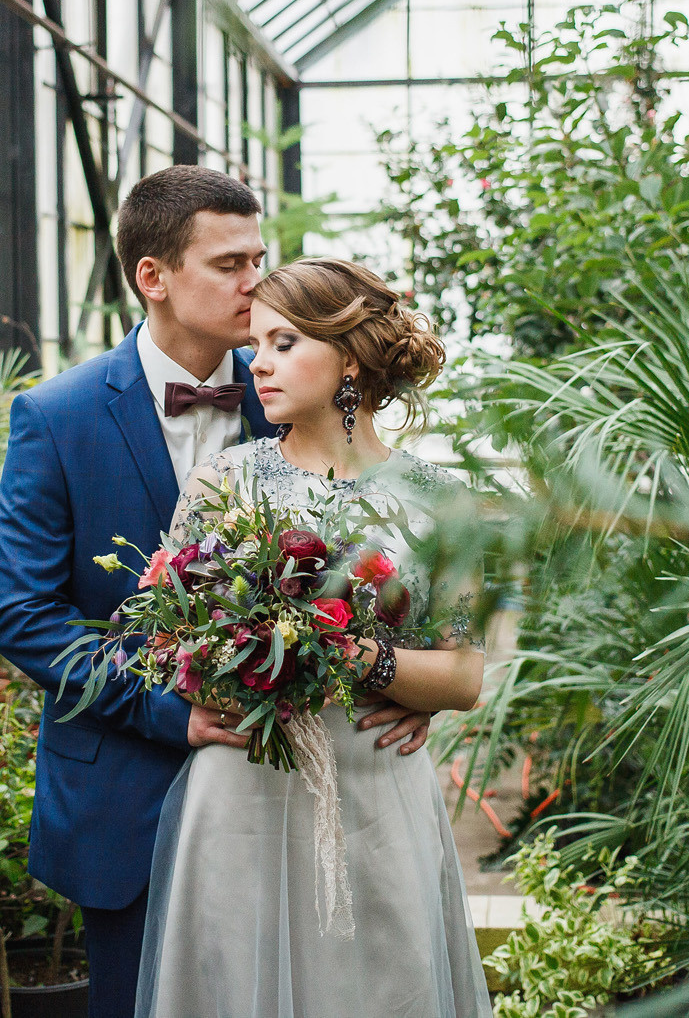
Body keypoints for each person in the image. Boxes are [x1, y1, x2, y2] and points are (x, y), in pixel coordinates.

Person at [0, 169, 436, 1018]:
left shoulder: (300, 390)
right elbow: (22, 615)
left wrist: (407, 686)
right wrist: (168, 711)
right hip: (127, 788)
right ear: (153, 276)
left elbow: (392, 557)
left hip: (303, 790)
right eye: (230, 264)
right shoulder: (57, 415)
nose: (255, 284)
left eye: (259, 259)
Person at [134, 256, 492, 1018]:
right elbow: (172, 650)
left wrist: (354, 654)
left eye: (284, 342)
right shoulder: (219, 484)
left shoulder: (440, 501)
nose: (258, 364)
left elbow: (463, 676)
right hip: (243, 790)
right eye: (256, 344)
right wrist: (229, 653)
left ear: (350, 358)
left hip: (375, 793)